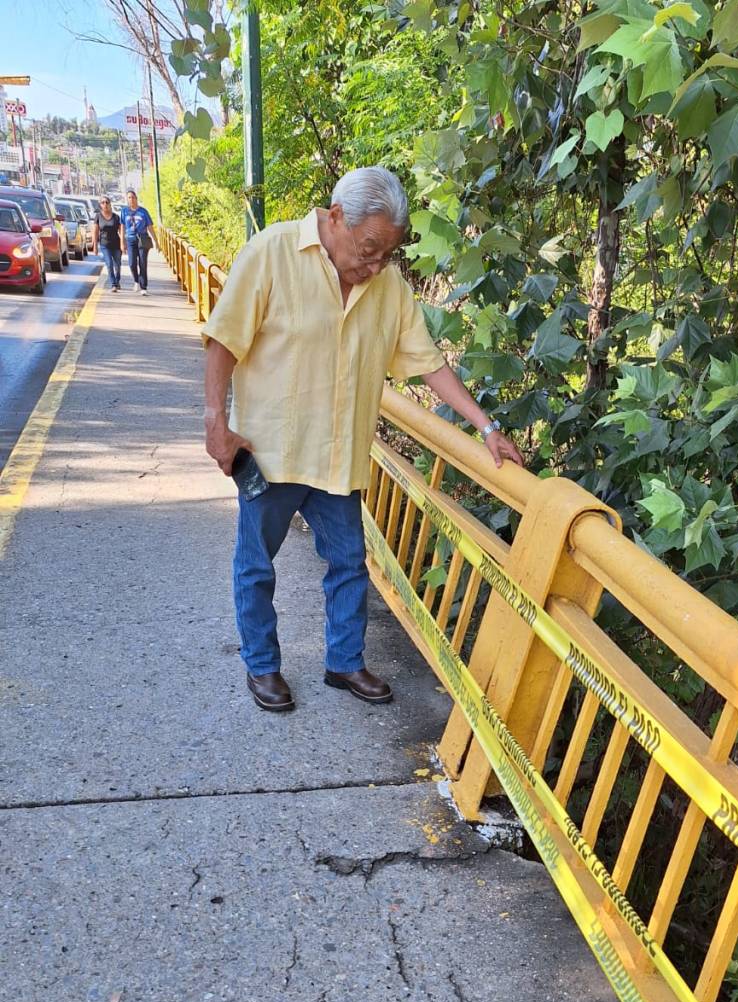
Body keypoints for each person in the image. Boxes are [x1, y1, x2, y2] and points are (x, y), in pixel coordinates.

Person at [202, 165, 525, 714]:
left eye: (387, 254)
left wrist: (487, 427)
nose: (375, 265)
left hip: (338, 454)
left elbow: (428, 362)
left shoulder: (389, 287)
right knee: (256, 566)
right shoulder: (272, 252)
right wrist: (216, 423)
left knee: (350, 563)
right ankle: (262, 665)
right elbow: (223, 341)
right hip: (272, 452)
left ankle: (344, 661)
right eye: (369, 249)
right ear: (335, 218)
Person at [120, 189, 154, 294]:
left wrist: (156, 241)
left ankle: (143, 287)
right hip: (130, 239)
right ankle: (136, 281)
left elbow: (150, 226)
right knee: (131, 263)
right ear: (127, 199)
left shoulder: (143, 211)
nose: (131, 199)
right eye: (129, 198)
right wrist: (122, 242)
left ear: (136, 198)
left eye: (133, 197)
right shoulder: (124, 211)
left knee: (142, 263)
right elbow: (122, 227)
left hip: (142, 239)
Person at [92, 196, 122, 291]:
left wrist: (123, 244)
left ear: (110, 204)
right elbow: (95, 232)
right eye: (103, 203)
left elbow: (121, 231)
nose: (105, 204)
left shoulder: (116, 217)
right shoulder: (98, 217)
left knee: (118, 265)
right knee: (109, 264)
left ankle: (117, 281)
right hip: (105, 245)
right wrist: (95, 246)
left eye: (107, 202)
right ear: (100, 205)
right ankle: (113, 284)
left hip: (116, 244)